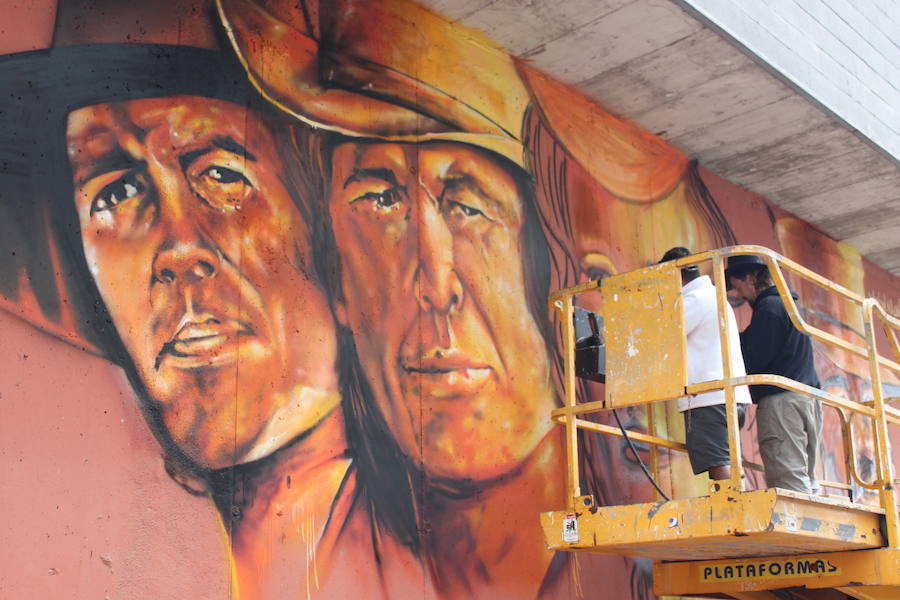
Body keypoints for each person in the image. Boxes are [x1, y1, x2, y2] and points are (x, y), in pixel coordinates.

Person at [726, 254, 822, 494]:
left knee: (788, 480)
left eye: (737, 286)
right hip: (806, 399)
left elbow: (755, 356)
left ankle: (797, 528)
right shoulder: (788, 305)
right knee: (806, 478)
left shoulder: (769, 307)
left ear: (749, 277)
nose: (738, 295)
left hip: (783, 404)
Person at [659, 247, 751, 481]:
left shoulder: (694, 300)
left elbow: (661, 336)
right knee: (726, 460)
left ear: (675, 273)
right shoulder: (713, 296)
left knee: (718, 463)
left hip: (709, 397)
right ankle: (738, 506)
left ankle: (733, 510)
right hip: (725, 395)